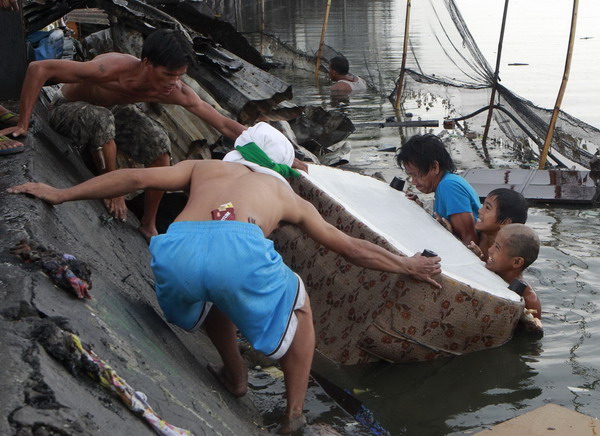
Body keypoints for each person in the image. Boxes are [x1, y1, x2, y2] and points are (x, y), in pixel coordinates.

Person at [8, 122, 442, 434]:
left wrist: (60, 193)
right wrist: (407, 265)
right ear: (282, 168)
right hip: (238, 247)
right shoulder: (282, 192)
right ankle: (294, 415)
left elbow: (135, 177)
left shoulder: (203, 168)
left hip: (176, 251)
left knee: (214, 293)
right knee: (300, 305)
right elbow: (348, 246)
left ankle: (235, 377)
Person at [0, 29, 249, 240]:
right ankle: (112, 188)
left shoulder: (175, 90)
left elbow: (224, 125)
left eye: (179, 76)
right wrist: (23, 123)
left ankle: (147, 222)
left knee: (160, 144)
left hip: (113, 111)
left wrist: (264, 144)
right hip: (68, 109)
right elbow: (38, 68)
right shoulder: (110, 68)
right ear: (147, 64)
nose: (174, 82)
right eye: (168, 75)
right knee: (102, 119)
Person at [396, 134, 482, 246]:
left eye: (416, 175)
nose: (413, 182)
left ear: (434, 167)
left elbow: (470, 239)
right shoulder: (445, 184)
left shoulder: (449, 187)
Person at [485, 223, 541, 324]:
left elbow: (534, 332)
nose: (489, 250)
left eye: (497, 247)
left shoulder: (529, 299)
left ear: (516, 262)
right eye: (493, 243)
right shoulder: (497, 269)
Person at [468, 188, 528, 260]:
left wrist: (479, 257)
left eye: (487, 208)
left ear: (505, 223)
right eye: (482, 205)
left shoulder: (508, 251)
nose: (479, 210)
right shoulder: (480, 233)